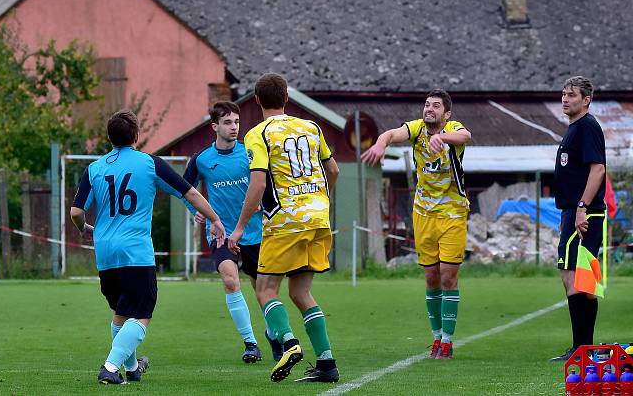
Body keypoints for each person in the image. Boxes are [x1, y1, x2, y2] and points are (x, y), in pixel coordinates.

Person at [71, 110, 226, 385]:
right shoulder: (149, 163)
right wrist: (214, 219)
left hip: (105, 252)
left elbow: (75, 211)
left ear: (109, 138)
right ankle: (110, 367)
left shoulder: (94, 168)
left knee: (121, 311)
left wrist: (84, 229)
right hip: (135, 251)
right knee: (142, 314)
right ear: (137, 135)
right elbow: (188, 191)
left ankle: (131, 369)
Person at [226, 73, 341, 383]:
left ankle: (289, 343)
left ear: (258, 100)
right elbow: (333, 169)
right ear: (287, 98)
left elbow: (259, 182)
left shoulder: (257, 134)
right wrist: (317, 199)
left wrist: (237, 229)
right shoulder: (311, 127)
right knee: (301, 292)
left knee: (265, 289)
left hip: (285, 220)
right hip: (318, 217)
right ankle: (327, 364)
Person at [361, 88, 471, 360]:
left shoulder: (453, 129)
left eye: (435, 106)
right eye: (426, 104)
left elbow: (466, 136)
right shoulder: (417, 129)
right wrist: (380, 144)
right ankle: (435, 338)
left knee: (448, 276)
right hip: (423, 214)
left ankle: (447, 340)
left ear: (447, 114)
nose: (429, 109)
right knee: (431, 277)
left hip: (453, 213)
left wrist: (442, 137)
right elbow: (391, 133)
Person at [182, 101, 283, 363]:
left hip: (255, 233)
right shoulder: (201, 159)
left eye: (236, 122)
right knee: (230, 280)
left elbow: (268, 184)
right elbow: (184, 189)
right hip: (221, 233)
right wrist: (197, 210)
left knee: (263, 289)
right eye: (227, 122)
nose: (234, 127)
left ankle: (273, 333)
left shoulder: (249, 153)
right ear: (215, 126)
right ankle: (250, 343)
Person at [549, 76, 606, 362]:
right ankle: (585, 347)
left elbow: (597, 170)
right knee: (578, 279)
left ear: (586, 100)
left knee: (576, 278)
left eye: (572, 95)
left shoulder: (587, 127)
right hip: (572, 211)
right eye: (563, 94)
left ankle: (582, 348)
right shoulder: (575, 128)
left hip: (583, 212)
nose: (565, 99)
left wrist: (581, 207)